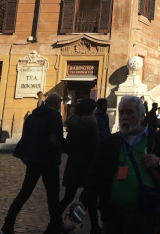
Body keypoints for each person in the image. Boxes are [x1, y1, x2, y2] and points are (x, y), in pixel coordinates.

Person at [76, 95, 160, 234]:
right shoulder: (110, 143)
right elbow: (95, 176)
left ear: (142, 116)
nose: (124, 116)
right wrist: (82, 202)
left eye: (130, 112)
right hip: (114, 217)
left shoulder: (157, 140)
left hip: (147, 216)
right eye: (122, 113)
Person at [2, 93, 64, 234]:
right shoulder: (55, 116)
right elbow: (54, 139)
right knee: (53, 195)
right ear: (57, 103)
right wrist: (66, 146)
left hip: (33, 159)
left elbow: (26, 137)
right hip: (48, 161)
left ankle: (8, 222)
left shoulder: (32, 116)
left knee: (24, 193)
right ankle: (56, 225)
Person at [57, 98, 101, 234]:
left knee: (68, 196)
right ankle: (95, 227)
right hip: (88, 165)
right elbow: (95, 146)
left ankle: (54, 221)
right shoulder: (92, 125)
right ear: (90, 110)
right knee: (91, 197)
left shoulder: (74, 125)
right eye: (94, 109)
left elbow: (68, 147)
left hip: (74, 163)